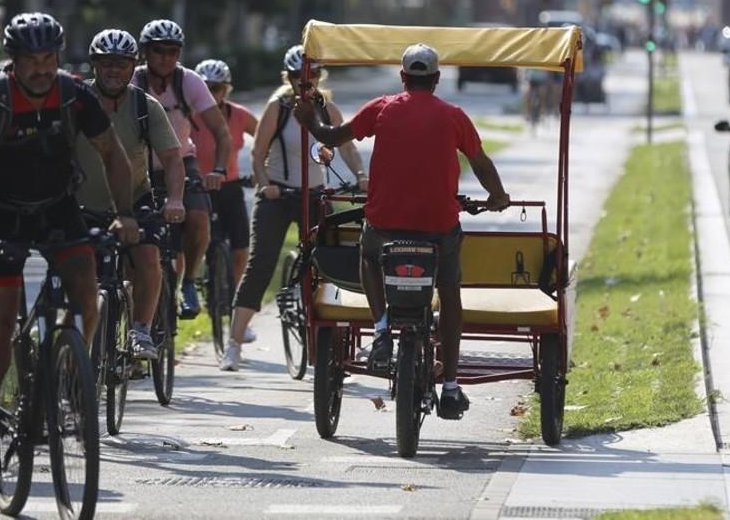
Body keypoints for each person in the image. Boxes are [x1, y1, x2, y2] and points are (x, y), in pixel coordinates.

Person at [0, 12, 140, 483]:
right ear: (14, 61)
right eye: (31, 60)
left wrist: (125, 213)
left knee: (86, 292)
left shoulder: (75, 94)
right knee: (0, 324)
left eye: (49, 58)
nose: (42, 68)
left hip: (57, 209)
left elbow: (112, 153)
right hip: (1, 216)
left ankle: (73, 375)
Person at [294, 43, 510, 419]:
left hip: (385, 227)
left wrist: (310, 121)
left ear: (403, 77)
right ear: (437, 79)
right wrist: (498, 196)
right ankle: (452, 385)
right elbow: (480, 162)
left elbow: (331, 137)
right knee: (449, 291)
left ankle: (380, 331)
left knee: (367, 253)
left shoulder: (381, 108)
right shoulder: (454, 116)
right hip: (438, 229)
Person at [219, 45, 368, 371]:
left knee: (327, 264)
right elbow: (257, 154)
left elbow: (347, 147)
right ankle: (234, 345)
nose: (306, 81)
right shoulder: (279, 107)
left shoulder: (327, 109)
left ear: (319, 76)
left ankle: (325, 338)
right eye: (299, 77)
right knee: (261, 265)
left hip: (314, 196)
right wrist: (264, 185)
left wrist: (360, 175)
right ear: (288, 78)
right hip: (278, 196)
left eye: (312, 75)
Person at [76, 29, 187, 360]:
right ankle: (74, 352)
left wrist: (176, 198)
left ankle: (140, 329)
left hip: (134, 199)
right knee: (78, 272)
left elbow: (172, 160)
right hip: (83, 203)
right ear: (94, 65)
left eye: (121, 64)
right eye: (106, 63)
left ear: (132, 66)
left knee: (148, 257)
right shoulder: (77, 102)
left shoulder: (144, 106)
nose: (113, 70)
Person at [132, 19, 233, 320]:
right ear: (145, 52)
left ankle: (188, 282)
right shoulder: (132, 81)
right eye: (158, 50)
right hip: (138, 166)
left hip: (181, 161)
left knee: (199, 216)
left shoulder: (188, 81)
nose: (165, 57)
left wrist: (217, 169)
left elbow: (221, 132)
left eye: (173, 51)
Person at [191, 59, 259, 337]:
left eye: (216, 88)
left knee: (241, 249)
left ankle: (232, 299)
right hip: (196, 188)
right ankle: (196, 288)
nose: (211, 93)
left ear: (226, 89)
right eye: (204, 88)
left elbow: (267, 139)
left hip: (229, 187)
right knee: (201, 243)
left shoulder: (239, 115)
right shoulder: (187, 115)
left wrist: (260, 172)